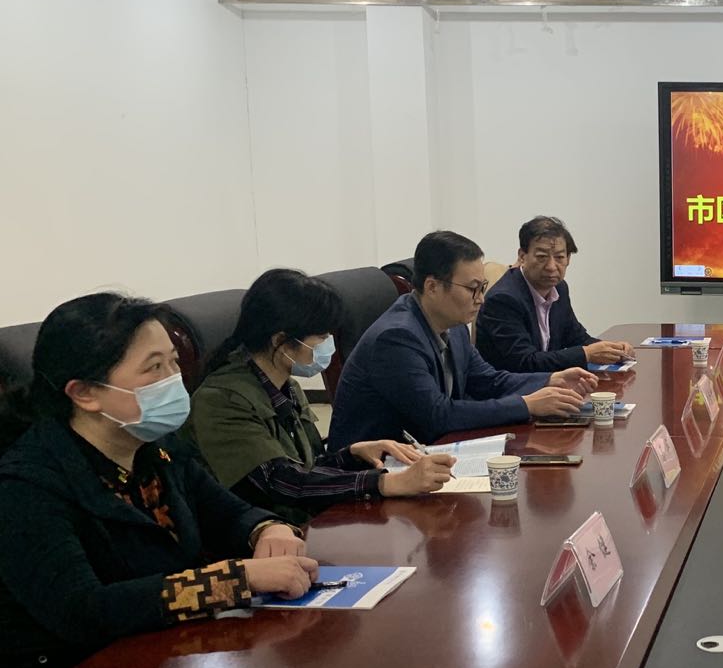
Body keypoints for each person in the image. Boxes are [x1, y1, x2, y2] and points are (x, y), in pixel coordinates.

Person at [0, 293, 317, 668]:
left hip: (168, 662)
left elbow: (225, 513)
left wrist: (266, 528)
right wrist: (234, 581)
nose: (174, 380)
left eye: (173, 362)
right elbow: (83, 611)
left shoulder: (156, 448)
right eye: (154, 368)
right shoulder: (26, 485)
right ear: (84, 393)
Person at [186, 269, 456, 527]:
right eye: (322, 336)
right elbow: (279, 482)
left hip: (302, 521)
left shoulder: (284, 384)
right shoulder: (222, 400)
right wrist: (384, 482)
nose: (329, 345)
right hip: (262, 537)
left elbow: (306, 468)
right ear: (280, 341)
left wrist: (353, 455)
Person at [329, 230, 596, 449]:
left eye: (482, 288)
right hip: (373, 471)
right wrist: (527, 404)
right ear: (432, 287)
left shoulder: (454, 326)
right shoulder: (396, 338)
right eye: (472, 289)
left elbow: (488, 381)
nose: (480, 299)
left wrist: (550, 380)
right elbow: (438, 416)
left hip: (427, 450)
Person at [476, 215, 632, 372]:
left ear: (568, 259)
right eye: (542, 257)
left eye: (559, 257)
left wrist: (612, 350)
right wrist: (586, 354)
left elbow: (575, 337)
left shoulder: (559, 288)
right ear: (522, 256)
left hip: (547, 381)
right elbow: (525, 362)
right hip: (513, 384)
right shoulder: (503, 299)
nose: (551, 266)